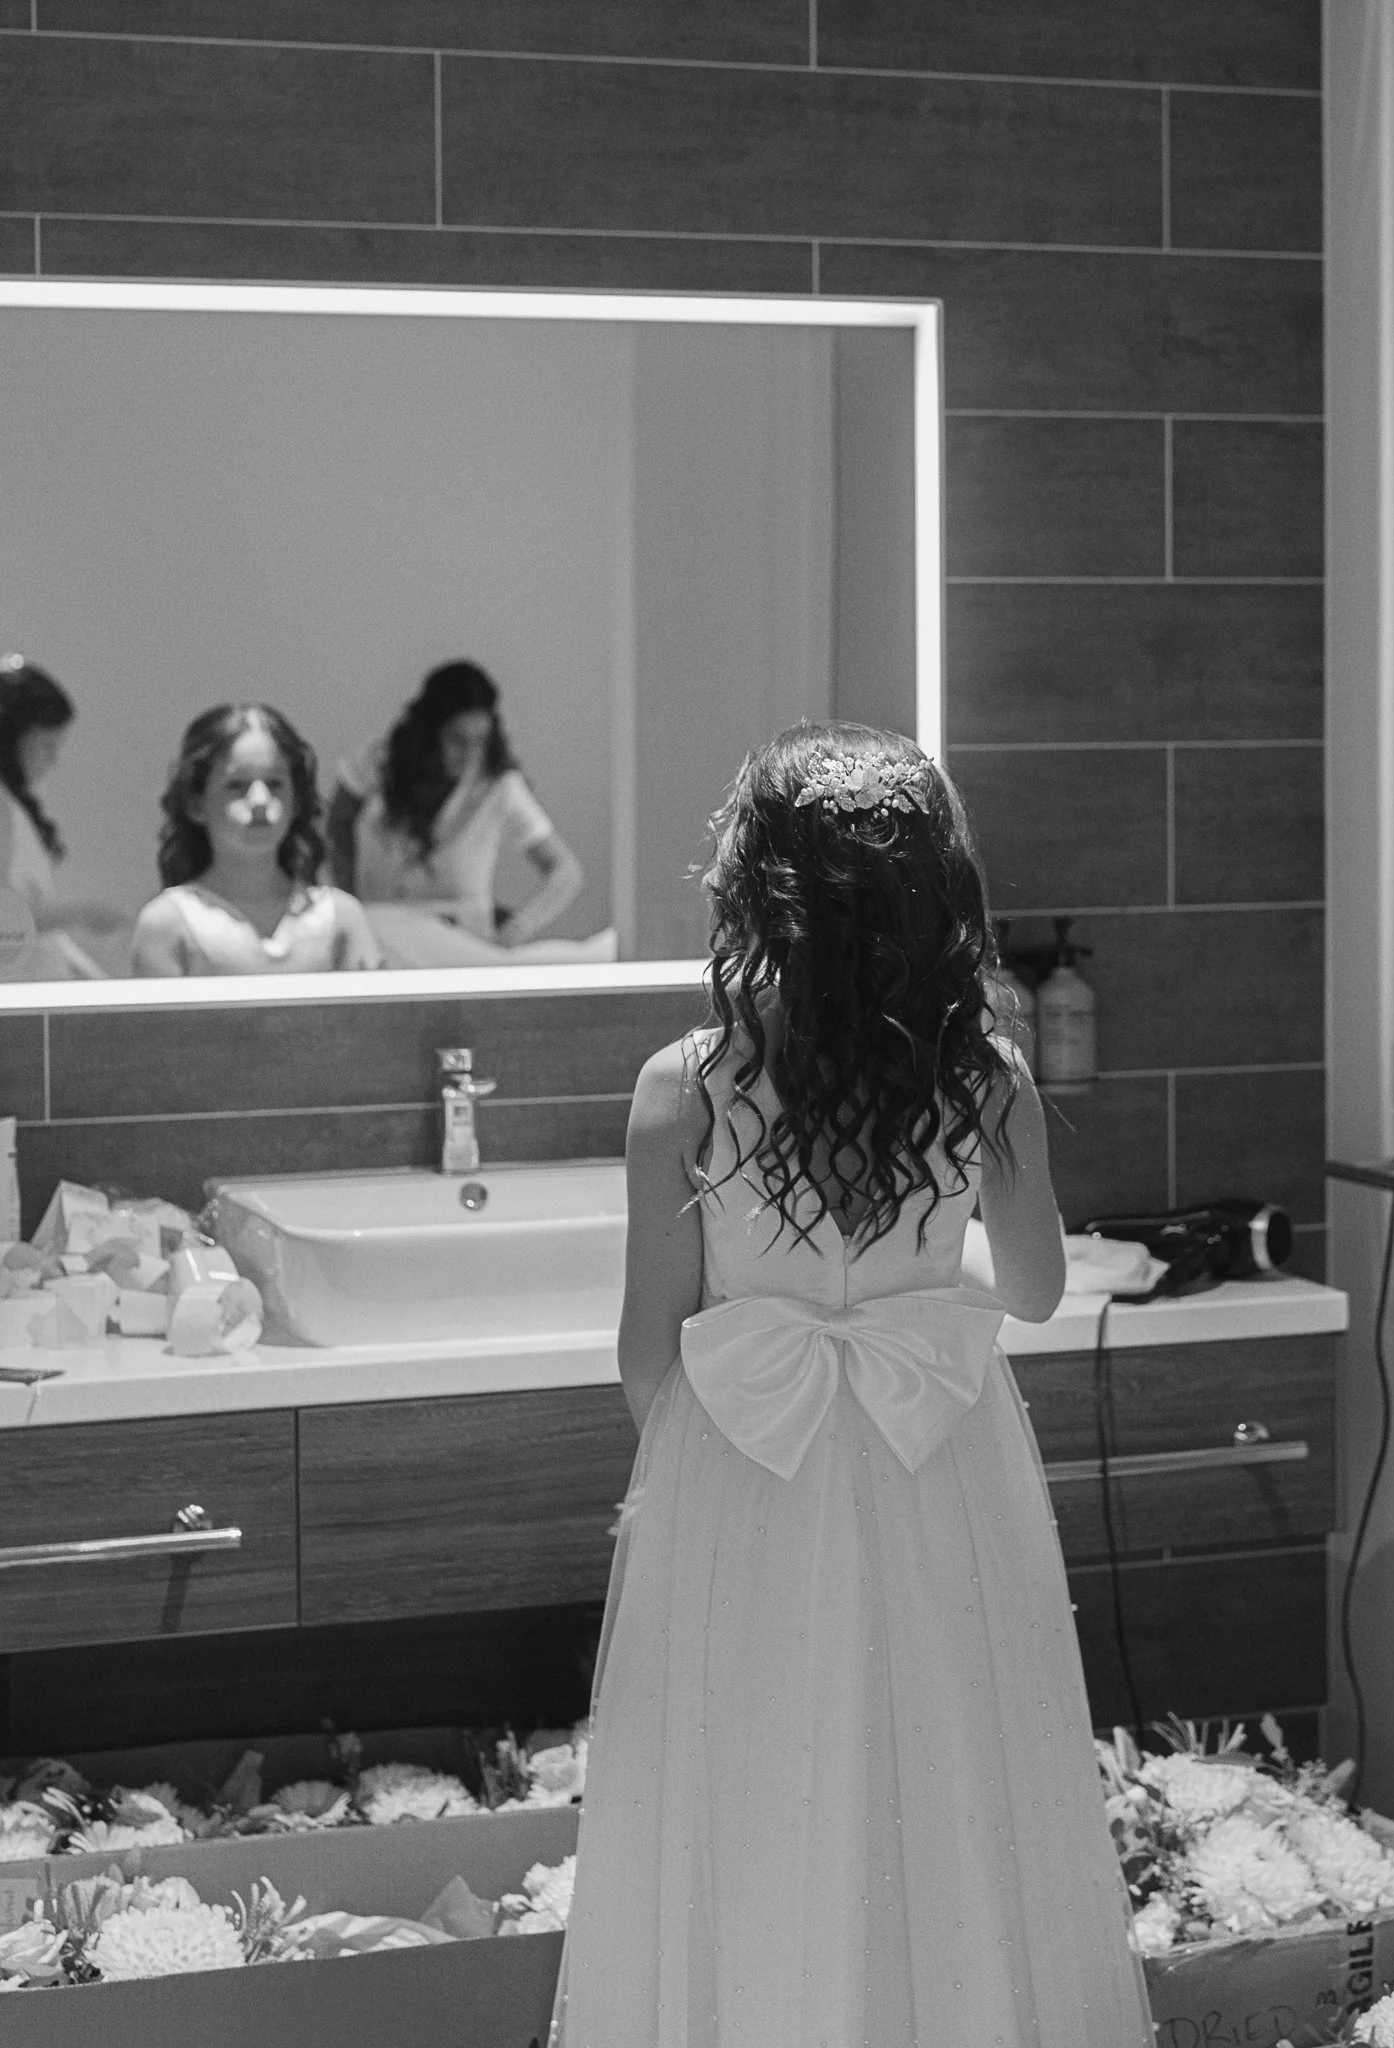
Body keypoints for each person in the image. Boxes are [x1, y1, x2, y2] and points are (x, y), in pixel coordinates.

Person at [549, 722, 1155, 2046]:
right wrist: (925, 1259)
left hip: (743, 1469)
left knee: (751, 1784)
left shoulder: (685, 1087)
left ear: (752, 890)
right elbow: (1042, 1292)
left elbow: (645, 1347)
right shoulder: (985, 1078)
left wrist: (692, 1482)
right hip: (937, 1457)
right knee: (940, 1774)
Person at [327, 660, 589, 964]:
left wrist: (517, 928)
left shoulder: (499, 787)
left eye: (480, 741)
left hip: (463, 943)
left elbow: (565, 870)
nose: (469, 755)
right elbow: (338, 823)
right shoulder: (379, 765)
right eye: (457, 740)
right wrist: (349, 901)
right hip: (387, 934)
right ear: (428, 733)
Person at [131, 704, 382, 977]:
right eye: (237, 785)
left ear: (296, 800)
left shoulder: (342, 918)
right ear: (196, 804)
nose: (261, 801)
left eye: (275, 784)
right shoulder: (167, 924)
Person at [0, 653, 131, 977]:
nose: (53, 759)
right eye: (46, 745)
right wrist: (81, 913)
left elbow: (40, 937)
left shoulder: (12, 809)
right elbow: (5, 922)